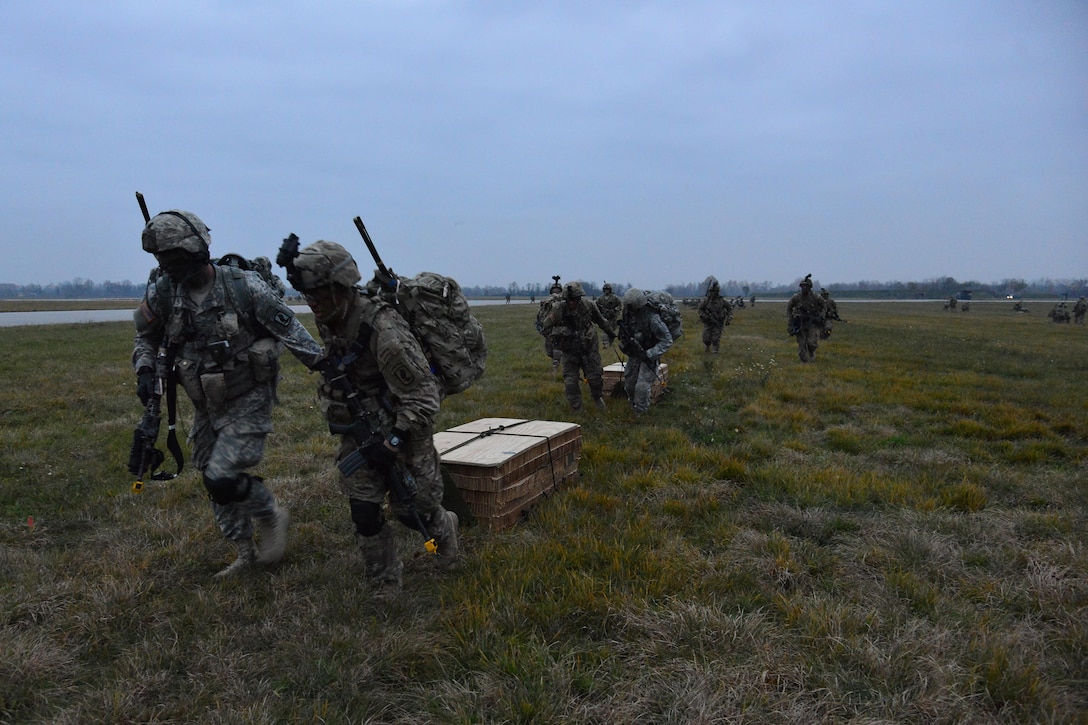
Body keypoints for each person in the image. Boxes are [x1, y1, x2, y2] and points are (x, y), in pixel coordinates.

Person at [133, 210, 325, 578]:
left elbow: (295, 335)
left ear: (195, 251)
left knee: (221, 475)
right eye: (161, 260)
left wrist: (332, 370)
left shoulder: (244, 287)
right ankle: (245, 553)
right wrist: (144, 369)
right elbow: (145, 336)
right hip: (204, 400)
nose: (167, 266)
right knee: (209, 474)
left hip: (249, 395)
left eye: (173, 259)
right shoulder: (164, 290)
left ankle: (270, 513)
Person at [281, 240, 459, 594]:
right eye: (306, 294)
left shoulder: (384, 329)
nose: (310, 302)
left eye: (317, 293)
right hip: (359, 428)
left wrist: (393, 441)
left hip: (404, 427)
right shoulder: (331, 315)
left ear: (339, 287)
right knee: (364, 511)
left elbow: (423, 397)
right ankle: (385, 581)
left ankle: (445, 528)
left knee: (413, 511)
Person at [540, 282, 616, 411]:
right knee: (570, 382)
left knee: (595, 378)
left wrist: (611, 334)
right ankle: (577, 408)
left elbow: (601, 321)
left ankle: (597, 397)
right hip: (569, 350)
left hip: (589, 348)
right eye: (569, 300)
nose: (572, 303)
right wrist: (563, 333)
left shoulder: (588, 306)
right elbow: (545, 328)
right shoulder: (559, 309)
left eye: (575, 300)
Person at [617, 288, 673, 414]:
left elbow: (667, 340)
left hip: (649, 354)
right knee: (630, 382)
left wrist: (650, 354)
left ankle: (640, 414)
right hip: (635, 353)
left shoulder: (652, 318)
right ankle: (633, 405)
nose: (631, 312)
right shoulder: (627, 314)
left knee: (642, 386)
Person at [786, 274, 829, 363]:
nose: (804, 288)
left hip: (813, 322)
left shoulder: (816, 297)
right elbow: (789, 308)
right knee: (801, 344)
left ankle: (812, 354)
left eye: (806, 286)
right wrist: (791, 320)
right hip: (800, 322)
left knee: (811, 343)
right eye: (803, 286)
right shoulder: (796, 297)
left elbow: (824, 305)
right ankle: (805, 362)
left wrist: (821, 316)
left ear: (810, 287)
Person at [697, 277, 732, 353]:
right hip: (708, 322)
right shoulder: (706, 301)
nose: (713, 293)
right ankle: (707, 346)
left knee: (715, 338)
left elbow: (729, 309)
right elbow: (700, 309)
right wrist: (705, 316)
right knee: (706, 338)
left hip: (718, 322)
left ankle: (715, 351)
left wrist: (728, 319)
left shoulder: (722, 301)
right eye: (712, 291)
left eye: (715, 292)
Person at [535, 279, 564, 369]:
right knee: (553, 348)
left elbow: (540, 314)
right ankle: (557, 362)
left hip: (551, 327)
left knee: (554, 347)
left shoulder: (547, 300)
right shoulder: (563, 300)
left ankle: (556, 364)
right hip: (558, 327)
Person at [596, 283, 622, 348]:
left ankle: (609, 344)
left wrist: (615, 311)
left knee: (611, 332)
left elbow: (619, 305)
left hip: (612, 318)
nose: (606, 291)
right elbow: (596, 306)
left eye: (608, 289)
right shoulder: (600, 298)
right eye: (605, 289)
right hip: (604, 317)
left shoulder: (615, 298)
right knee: (605, 331)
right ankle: (605, 345)